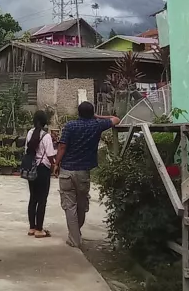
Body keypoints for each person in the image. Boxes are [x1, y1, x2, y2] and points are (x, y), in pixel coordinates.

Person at [53, 102, 120, 249]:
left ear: (78, 112)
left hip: (66, 171)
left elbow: (62, 146)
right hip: (83, 172)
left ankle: (74, 238)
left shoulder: (70, 126)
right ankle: (76, 234)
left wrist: (56, 163)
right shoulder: (96, 125)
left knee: (69, 206)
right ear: (92, 113)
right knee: (81, 205)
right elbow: (116, 119)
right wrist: (97, 117)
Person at [25, 110, 57, 239]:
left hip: (31, 168)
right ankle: (39, 229)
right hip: (43, 169)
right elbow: (50, 155)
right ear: (45, 122)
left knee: (33, 198)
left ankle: (32, 227)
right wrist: (55, 165)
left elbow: (27, 150)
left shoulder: (30, 133)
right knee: (42, 199)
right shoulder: (46, 136)